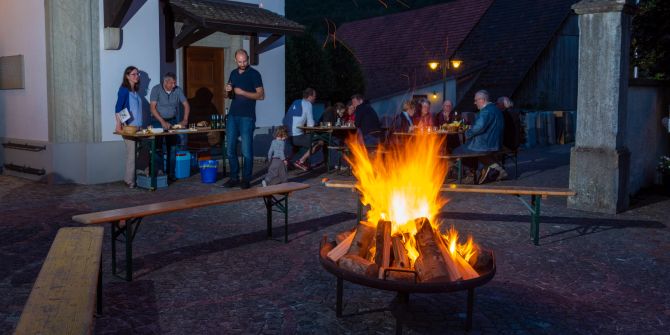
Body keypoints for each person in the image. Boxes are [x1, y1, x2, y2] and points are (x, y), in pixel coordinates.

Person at [222, 49, 264, 189]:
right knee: (230, 149)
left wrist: (243, 92)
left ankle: (246, 179)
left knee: (246, 150)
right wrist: (227, 91)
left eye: (244, 61)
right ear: (235, 60)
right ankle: (234, 177)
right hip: (233, 115)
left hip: (247, 117)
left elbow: (261, 95)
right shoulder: (233, 73)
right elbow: (227, 96)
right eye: (240, 61)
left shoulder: (254, 74)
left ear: (247, 58)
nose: (242, 63)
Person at [452, 90, 504, 184]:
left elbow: (479, 127)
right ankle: (496, 168)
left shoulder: (486, 111)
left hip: (484, 144)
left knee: (457, 151)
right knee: (467, 148)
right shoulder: (496, 109)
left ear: (482, 100)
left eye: (476, 100)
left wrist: (467, 134)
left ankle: (471, 175)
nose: (475, 103)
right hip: (495, 143)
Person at [149, 72, 190, 182]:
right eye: (172, 83)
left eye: (175, 82)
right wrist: (162, 121)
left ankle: (171, 173)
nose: (174, 85)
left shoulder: (177, 90)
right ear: (165, 82)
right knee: (157, 148)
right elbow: (152, 108)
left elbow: (186, 105)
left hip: (172, 120)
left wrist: (185, 119)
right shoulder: (156, 89)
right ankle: (160, 172)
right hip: (157, 120)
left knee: (172, 148)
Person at [115, 66, 146, 188]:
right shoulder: (124, 90)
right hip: (129, 127)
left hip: (139, 127)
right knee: (131, 153)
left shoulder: (136, 92)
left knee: (144, 149)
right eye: (133, 74)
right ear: (127, 76)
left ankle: (142, 174)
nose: (136, 76)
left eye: (137, 74)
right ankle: (129, 180)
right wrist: (119, 124)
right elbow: (118, 108)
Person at [282, 88, 317, 171]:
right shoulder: (308, 104)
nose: (315, 98)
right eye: (315, 96)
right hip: (296, 137)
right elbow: (311, 124)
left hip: (288, 136)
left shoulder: (296, 102)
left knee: (297, 146)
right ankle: (301, 161)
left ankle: (287, 160)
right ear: (310, 96)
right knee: (318, 142)